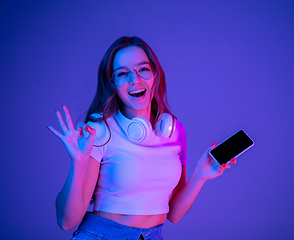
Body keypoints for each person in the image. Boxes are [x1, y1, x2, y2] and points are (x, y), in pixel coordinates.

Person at [47, 36, 236, 240]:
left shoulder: (173, 130)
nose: (134, 80)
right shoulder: (100, 130)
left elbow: (173, 214)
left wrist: (201, 174)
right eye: (122, 74)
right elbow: (66, 222)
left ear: (155, 73)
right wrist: (79, 162)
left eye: (143, 69)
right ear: (112, 83)